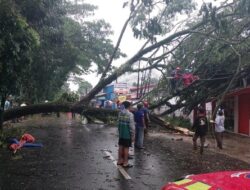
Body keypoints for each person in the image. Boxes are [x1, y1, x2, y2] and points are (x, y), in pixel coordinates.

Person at [117, 101, 135, 168]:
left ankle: (119, 161)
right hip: (127, 134)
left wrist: (119, 131)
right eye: (131, 106)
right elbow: (132, 126)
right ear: (128, 106)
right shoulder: (130, 114)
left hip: (121, 134)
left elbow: (118, 124)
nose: (131, 107)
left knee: (120, 147)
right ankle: (125, 162)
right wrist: (133, 135)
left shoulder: (120, 113)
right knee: (126, 148)